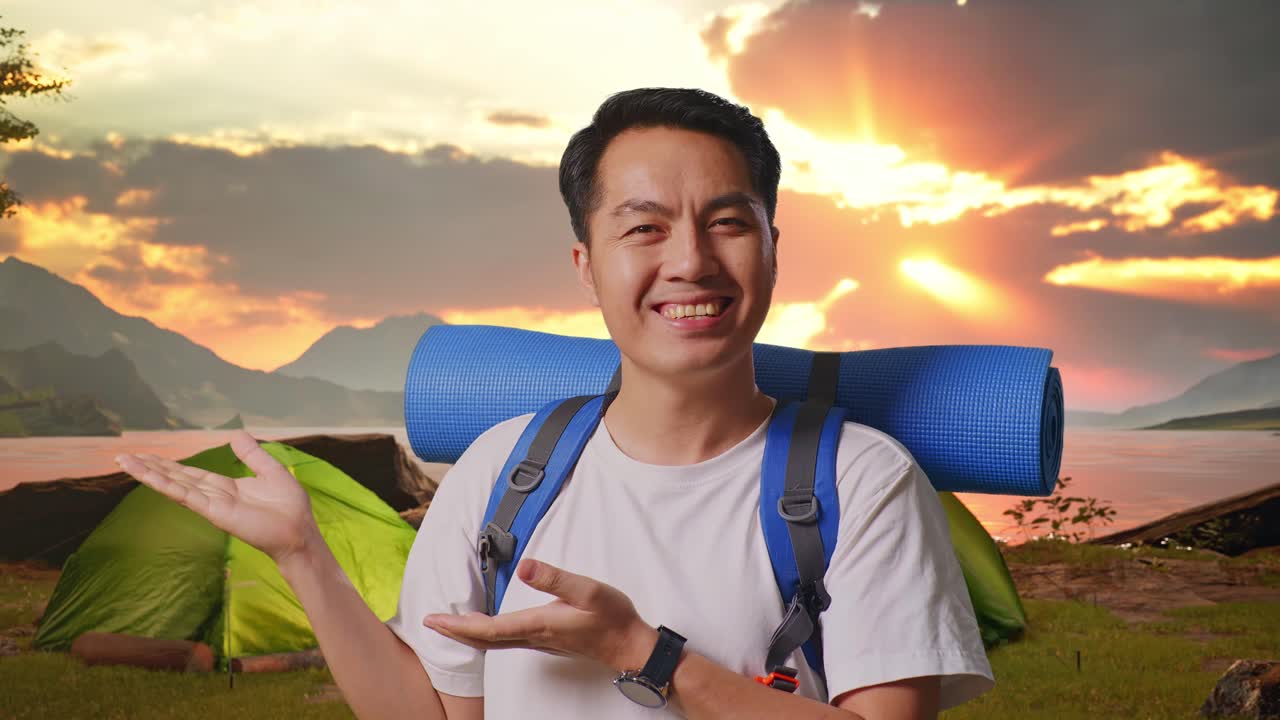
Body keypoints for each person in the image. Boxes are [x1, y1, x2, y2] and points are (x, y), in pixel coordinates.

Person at [115, 87, 994, 719]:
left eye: (728, 221)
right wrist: (304, 553)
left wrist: (642, 654)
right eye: (644, 227)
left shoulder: (860, 480)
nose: (690, 259)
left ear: (772, 246)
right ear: (586, 265)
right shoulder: (507, 470)